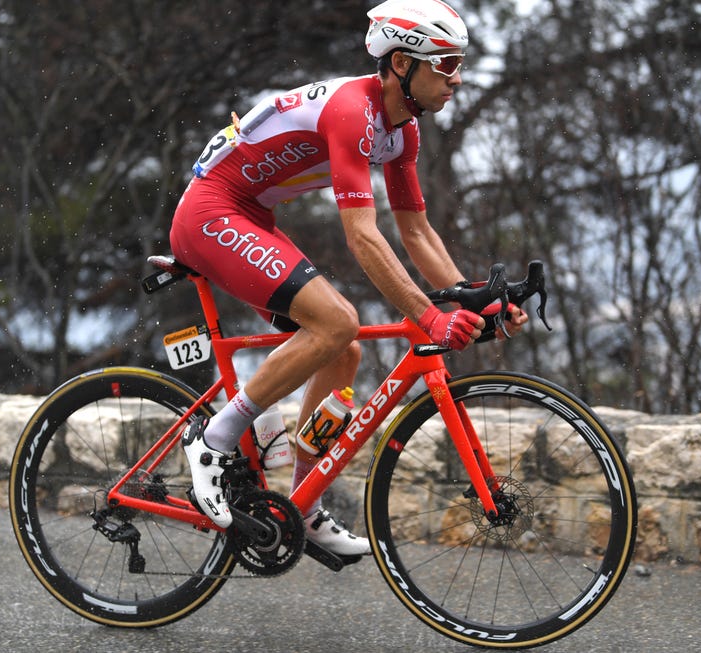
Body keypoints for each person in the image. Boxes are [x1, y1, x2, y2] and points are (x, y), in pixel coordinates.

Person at [170, 0, 527, 557]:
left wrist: (475, 298)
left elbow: (416, 234)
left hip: (250, 215)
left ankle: (303, 506)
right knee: (338, 321)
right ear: (404, 64)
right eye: (447, 64)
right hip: (210, 214)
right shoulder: (353, 112)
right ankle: (211, 440)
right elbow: (362, 237)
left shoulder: (401, 131)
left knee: (345, 353)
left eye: (459, 63)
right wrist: (429, 316)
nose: (457, 78)